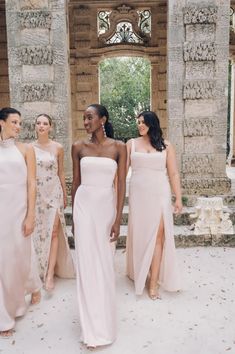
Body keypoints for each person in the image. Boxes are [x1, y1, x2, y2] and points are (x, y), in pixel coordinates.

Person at [72, 104, 126, 348]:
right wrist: (73, 216)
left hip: (106, 208)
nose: (86, 122)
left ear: (102, 119)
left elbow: (122, 185)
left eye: (90, 117)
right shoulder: (78, 147)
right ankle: (89, 328)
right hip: (84, 208)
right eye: (84, 118)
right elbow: (76, 183)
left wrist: (117, 219)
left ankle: (104, 322)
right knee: (86, 265)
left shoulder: (119, 147)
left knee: (103, 264)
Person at [126, 111, 182, 300]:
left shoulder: (166, 146)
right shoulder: (131, 144)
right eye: (138, 122)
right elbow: (122, 172)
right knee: (142, 234)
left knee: (159, 236)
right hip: (138, 194)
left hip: (160, 192)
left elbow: (173, 174)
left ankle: (153, 283)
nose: (140, 125)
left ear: (153, 124)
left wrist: (178, 198)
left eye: (143, 122)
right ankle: (143, 269)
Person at [0, 107, 41, 337]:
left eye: (19, 123)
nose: (18, 126)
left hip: (19, 211)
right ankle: (6, 315)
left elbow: (32, 184)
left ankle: (33, 285)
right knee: (3, 261)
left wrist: (31, 215)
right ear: (1, 123)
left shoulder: (26, 150)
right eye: (14, 122)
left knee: (19, 258)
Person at [32, 114, 74, 292]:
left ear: (50, 127)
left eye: (45, 123)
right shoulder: (29, 148)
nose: (41, 126)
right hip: (37, 194)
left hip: (54, 192)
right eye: (38, 123)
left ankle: (50, 274)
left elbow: (61, 173)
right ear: (35, 126)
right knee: (38, 231)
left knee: (55, 232)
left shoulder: (58, 147)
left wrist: (65, 194)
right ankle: (38, 268)